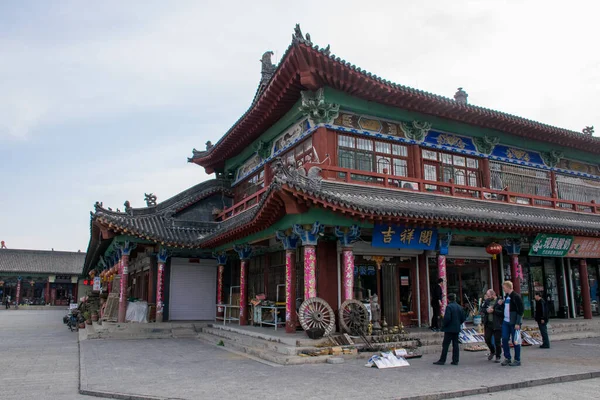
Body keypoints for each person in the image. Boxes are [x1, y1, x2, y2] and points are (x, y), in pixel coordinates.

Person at [433, 293, 466, 366]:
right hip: (457, 328)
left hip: (449, 329)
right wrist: (458, 323)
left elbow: (447, 318)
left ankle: (442, 360)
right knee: (455, 344)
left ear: (448, 299)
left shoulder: (449, 307)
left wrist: (443, 325)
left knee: (445, 345)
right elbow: (463, 318)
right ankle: (455, 360)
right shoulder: (459, 307)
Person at [499, 281, 524, 366]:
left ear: (508, 287)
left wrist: (518, 322)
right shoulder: (506, 297)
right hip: (505, 321)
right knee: (504, 339)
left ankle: (517, 359)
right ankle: (507, 357)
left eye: (504, 287)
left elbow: (520, 310)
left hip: (513, 322)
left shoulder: (516, 296)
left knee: (515, 341)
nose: (503, 289)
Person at [481, 289, 503, 362]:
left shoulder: (500, 301)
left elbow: (502, 313)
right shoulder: (487, 301)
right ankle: (492, 351)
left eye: (489, 296)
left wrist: (494, 311)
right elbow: (482, 309)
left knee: (497, 341)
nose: (488, 297)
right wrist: (487, 311)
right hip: (488, 323)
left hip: (497, 323)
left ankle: (498, 356)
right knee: (487, 339)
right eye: (487, 296)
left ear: (493, 295)